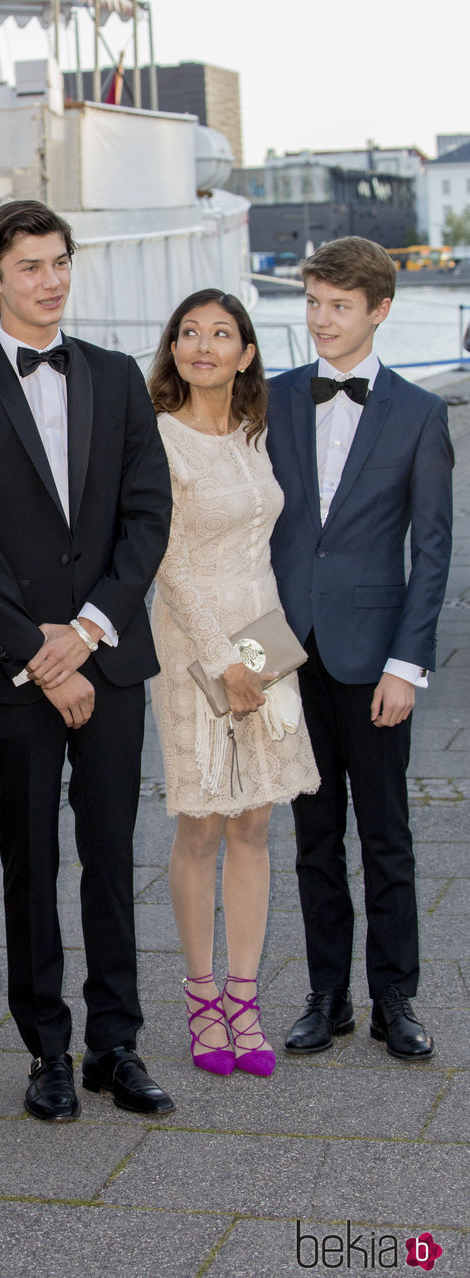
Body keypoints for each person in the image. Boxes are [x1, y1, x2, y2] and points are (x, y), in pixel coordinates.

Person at [0, 198, 175, 1124]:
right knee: (30, 862)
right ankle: (46, 1051)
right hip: (19, 672)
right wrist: (41, 654)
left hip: (109, 661)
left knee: (112, 855)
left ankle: (117, 1044)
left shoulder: (116, 378)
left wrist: (95, 629)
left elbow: (149, 515)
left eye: (60, 261)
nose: (51, 279)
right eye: (30, 265)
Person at [266, 237, 453, 1060]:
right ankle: (326, 997)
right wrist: (252, 653)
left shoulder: (420, 413)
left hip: (377, 659)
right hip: (290, 654)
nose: (321, 321)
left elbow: (435, 550)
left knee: (386, 835)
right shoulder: (269, 401)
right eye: (312, 303)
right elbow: (240, 541)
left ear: (379, 310)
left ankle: (396, 1001)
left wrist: (407, 667)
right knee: (312, 838)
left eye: (338, 306)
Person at [148, 290, 320, 1077]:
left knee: (255, 821)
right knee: (203, 823)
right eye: (190, 333)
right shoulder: (158, 437)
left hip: (265, 634)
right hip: (193, 643)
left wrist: (258, 659)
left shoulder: (256, 433)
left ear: (247, 354)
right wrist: (222, 659)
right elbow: (169, 560)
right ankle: (199, 998)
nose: (204, 345)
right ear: (174, 349)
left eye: (222, 334)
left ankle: (246, 1003)